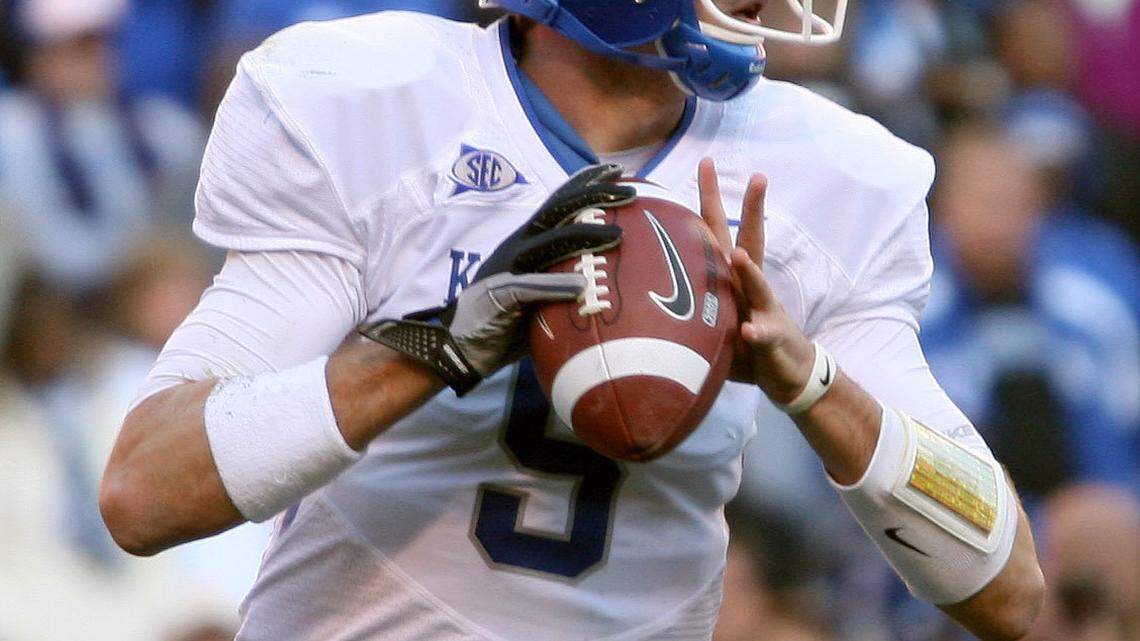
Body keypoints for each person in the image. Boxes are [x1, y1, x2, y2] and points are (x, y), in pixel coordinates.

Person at [99, 2, 1045, 640]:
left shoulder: (827, 176)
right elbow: (144, 491)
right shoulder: (374, 106)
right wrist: (430, 349)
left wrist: (812, 382)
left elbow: (1006, 585)